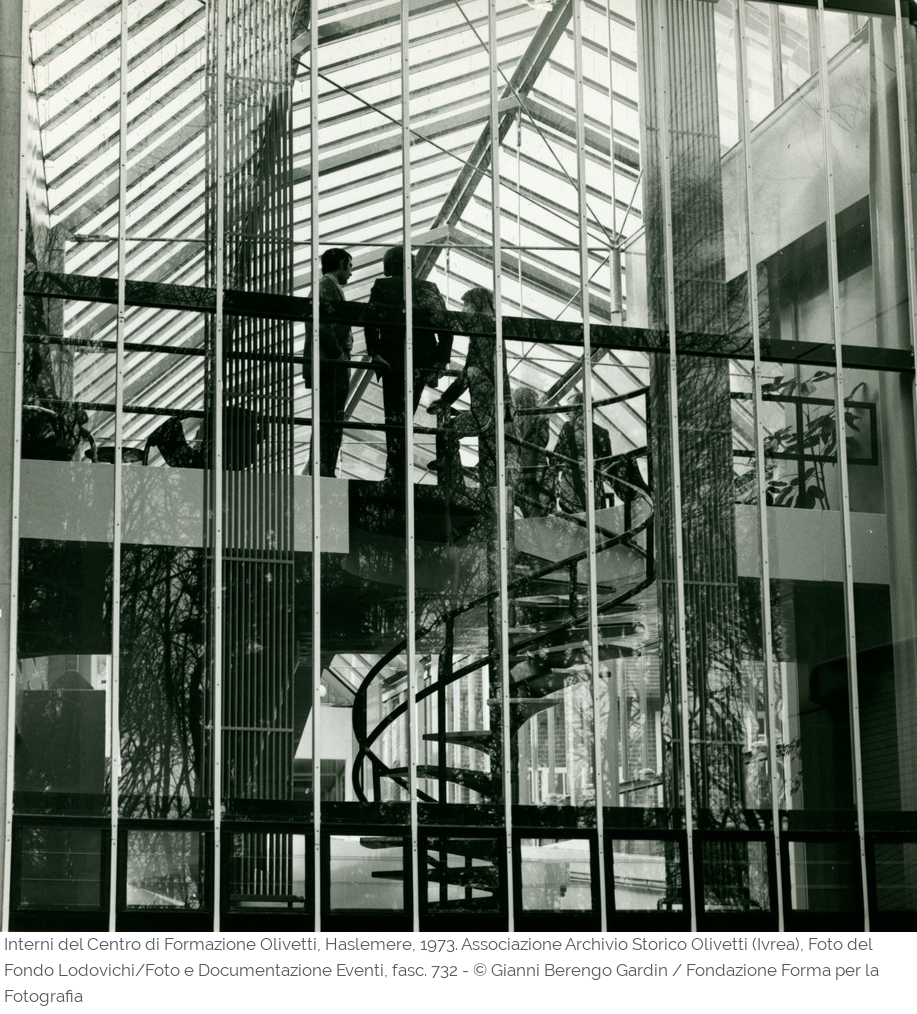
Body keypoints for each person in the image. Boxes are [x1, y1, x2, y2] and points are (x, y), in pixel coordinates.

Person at [364, 246, 451, 481]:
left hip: (392, 360)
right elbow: (444, 325)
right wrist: (441, 360)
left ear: (389, 264)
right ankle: (399, 471)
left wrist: (375, 353)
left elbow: (370, 320)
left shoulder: (382, 286)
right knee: (407, 414)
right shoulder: (428, 288)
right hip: (422, 360)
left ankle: (394, 472)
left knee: (394, 417)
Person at [429, 287, 516, 491]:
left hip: (486, 407)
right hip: (491, 408)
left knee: (447, 432)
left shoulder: (481, 327)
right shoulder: (490, 328)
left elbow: (473, 371)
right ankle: (487, 496)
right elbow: (480, 370)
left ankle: (454, 483)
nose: (463, 310)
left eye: (465, 305)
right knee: (488, 461)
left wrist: (445, 400)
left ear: (475, 305)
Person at [305, 248, 353, 476]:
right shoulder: (326, 286)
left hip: (329, 362)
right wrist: (339, 355)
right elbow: (322, 325)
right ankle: (323, 468)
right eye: (350, 266)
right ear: (342, 263)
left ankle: (324, 467)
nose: (351, 273)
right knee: (330, 418)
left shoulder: (326, 286)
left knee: (330, 417)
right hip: (330, 363)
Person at [553, 391, 613, 513]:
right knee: (596, 527)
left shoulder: (568, 428)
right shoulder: (602, 432)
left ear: (580, 408)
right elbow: (607, 466)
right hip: (595, 493)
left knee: (574, 528)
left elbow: (556, 458)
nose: (567, 412)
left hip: (571, 493)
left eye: (570, 408)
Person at [512, 386, 552, 516]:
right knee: (539, 510)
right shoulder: (540, 417)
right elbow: (543, 440)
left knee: (526, 509)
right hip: (537, 465)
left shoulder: (512, 419)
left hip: (519, 467)